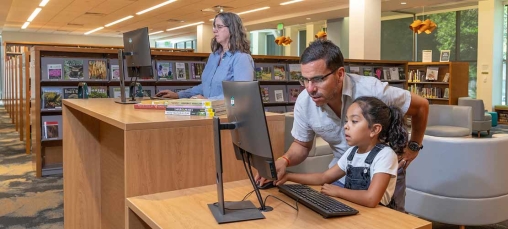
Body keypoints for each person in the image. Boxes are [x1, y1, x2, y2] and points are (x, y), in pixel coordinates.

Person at [256, 39, 430, 212]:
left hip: (382, 172)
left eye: (317, 79)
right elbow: (302, 145)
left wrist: (413, 147)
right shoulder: (305, 101)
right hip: (342, 171)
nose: (310, 89)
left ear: (339, 74)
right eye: (305, 80)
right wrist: (283, 162)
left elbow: (421, 106)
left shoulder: (371, 91)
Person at [276, 96, 407, 210]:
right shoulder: (352, 152)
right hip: (356, 209)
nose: (346, 126)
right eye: (346, 121)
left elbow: (371, 199)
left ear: (374, 129)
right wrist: (288, 176)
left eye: (354, 121)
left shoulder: (385, 155)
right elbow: (323, 178)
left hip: (379, 215)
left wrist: (338, 191)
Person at [155, 12, 254, 100]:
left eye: (219, 27)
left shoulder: (241, 58)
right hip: (208, 113)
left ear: (232, 29)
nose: (215, 30)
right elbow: (206, 87)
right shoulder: (213, 57)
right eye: (214, 27)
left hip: (229, 115)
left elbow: (241, 94)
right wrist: (179, 95)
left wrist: (208, 101)